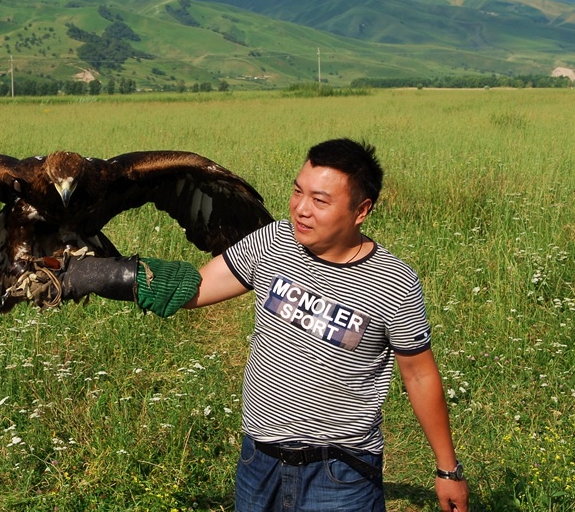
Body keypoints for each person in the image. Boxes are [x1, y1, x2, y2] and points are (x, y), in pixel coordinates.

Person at [55, 138, 470, 511]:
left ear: (361, 210)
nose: (301, 209)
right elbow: (196, 288)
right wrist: (93, 274)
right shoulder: (274, 241)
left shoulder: (393, 282)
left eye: (320, 201)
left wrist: (447, 469)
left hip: (339, 473)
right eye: (297, 191)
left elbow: (418, 374)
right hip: (259, 461)